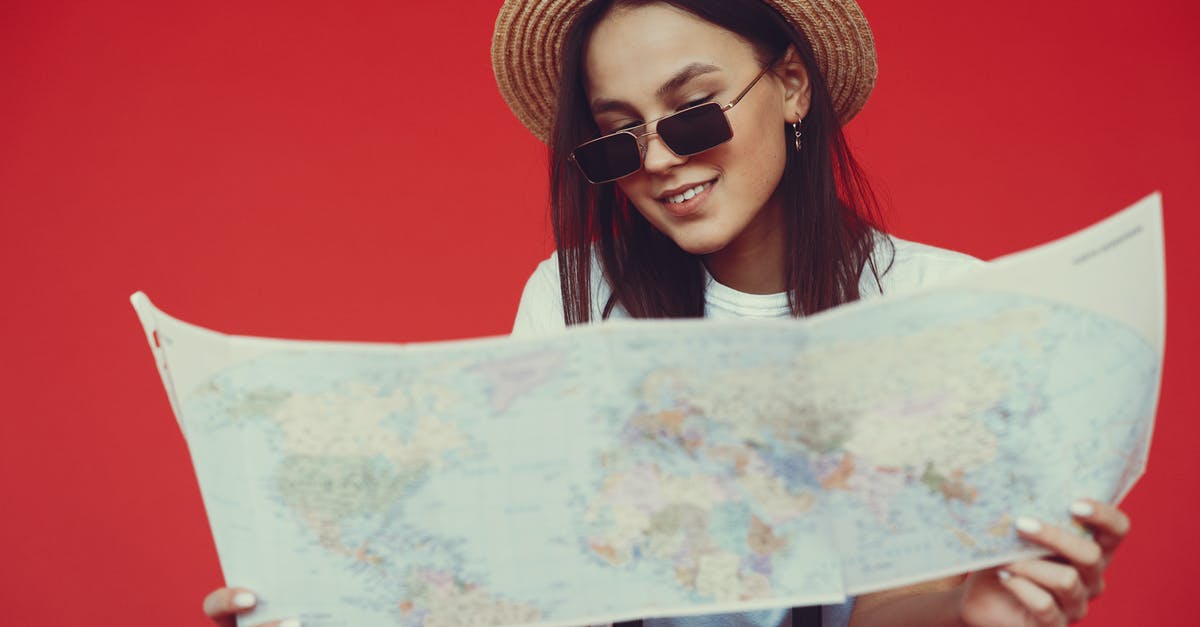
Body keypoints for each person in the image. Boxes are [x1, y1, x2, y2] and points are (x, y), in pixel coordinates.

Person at [203, 1, 1132, 626]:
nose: (657, 158)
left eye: (692, 113)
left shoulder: (947, 304)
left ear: (794, 86)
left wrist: (977, 605)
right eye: (615, 135)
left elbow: (904, 599)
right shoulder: (571, 298)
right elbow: (526, 578)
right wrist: (324, 591)